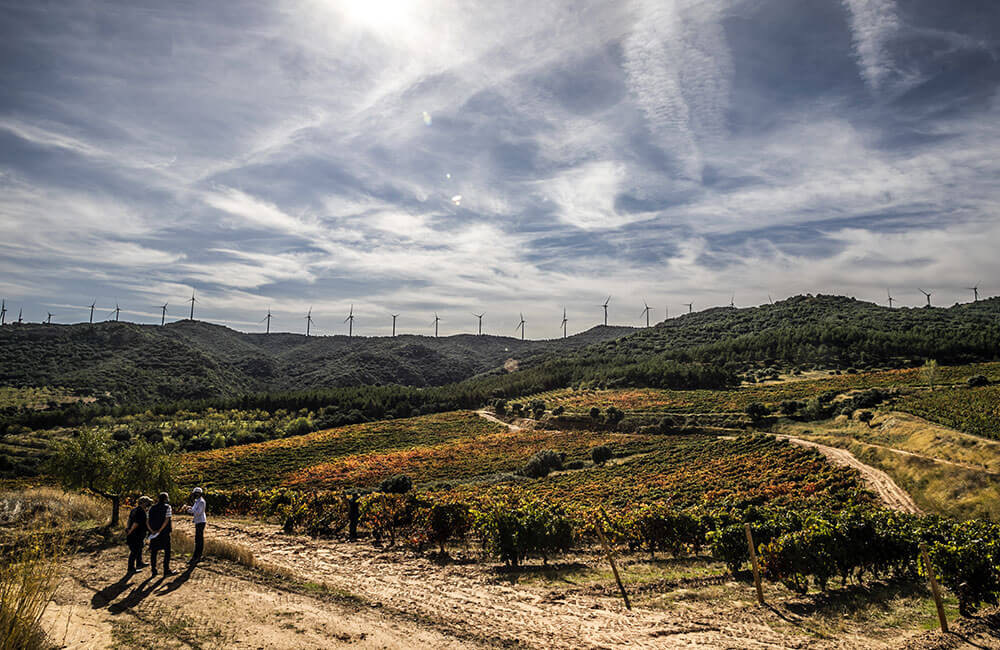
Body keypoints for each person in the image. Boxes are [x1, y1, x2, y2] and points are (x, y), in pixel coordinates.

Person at [147, 492, 175, 577]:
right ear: (166, 499)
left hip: (153, 532)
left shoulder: (151, 508)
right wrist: (160, 530)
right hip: (164, 532)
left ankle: (154, 570)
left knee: (154, 551)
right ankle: (166, 569)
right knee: (167, 551)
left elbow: (147, 520)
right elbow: (166, 520)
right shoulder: (168, 507)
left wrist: (151, 530)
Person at [125, 496, 153, 573]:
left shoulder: (134, 510)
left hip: (137, 533)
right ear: (143, 503)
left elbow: (129, 520)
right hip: (136, 533)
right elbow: (136, 523)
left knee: (139, 548)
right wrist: (130, 531)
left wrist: (128, 529)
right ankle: (131, 568)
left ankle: (139, 563)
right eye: (147, 502)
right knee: (134, 551)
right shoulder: (140, 511)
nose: (149, 504)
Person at [180, 487, 207, 563]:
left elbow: (198, 512)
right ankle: (197, 556)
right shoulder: (197, 501)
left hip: (201, 521)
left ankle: (197, 556)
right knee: (198, 539)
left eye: (195, 493)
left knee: (199, 540)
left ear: (198, 494)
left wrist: (188, 510)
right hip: (198, 521)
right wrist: (190, 508)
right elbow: (195, 510)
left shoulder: (201, 502)